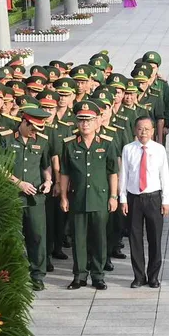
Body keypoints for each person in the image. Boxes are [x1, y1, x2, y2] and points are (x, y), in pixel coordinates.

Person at [60, 102, 119, 290]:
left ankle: (98, 275)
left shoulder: (107, 143)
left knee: (99, 239)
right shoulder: (69, 144)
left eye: (89, 120)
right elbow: (64, 173)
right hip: (77, 198)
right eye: (81, 120)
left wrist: (113, 196)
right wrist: (63, 196)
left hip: (99, 199)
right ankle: (79, 275)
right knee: (78, 239)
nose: (85, 124)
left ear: (97, 122)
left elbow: (113, 172)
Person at [5, 107, 53, 291]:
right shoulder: (6, 138)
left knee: (37, 236)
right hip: (13, 196)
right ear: (24, 122)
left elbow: (46, 165)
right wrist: (19, 183)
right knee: (14, 237)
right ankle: (15, 275)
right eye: (32, 128)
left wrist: (48, 181)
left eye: (38, 130)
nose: (34, 133)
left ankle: (37, 276)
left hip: (35, 199)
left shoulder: (42, 140)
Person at [119, 116, 169, 288]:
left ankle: (153, 276)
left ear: (153, 131)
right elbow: (124, 175)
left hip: (153, 198)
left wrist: (165, 200)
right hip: (134, 198)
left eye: (147, 129)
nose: (143, 132)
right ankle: (139, 276)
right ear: (135, 130)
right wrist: (123, 198)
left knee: (154, 238)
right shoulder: (128, 149)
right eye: (140, 129)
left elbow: (165, 176)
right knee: (135, 238)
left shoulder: (159, 149)